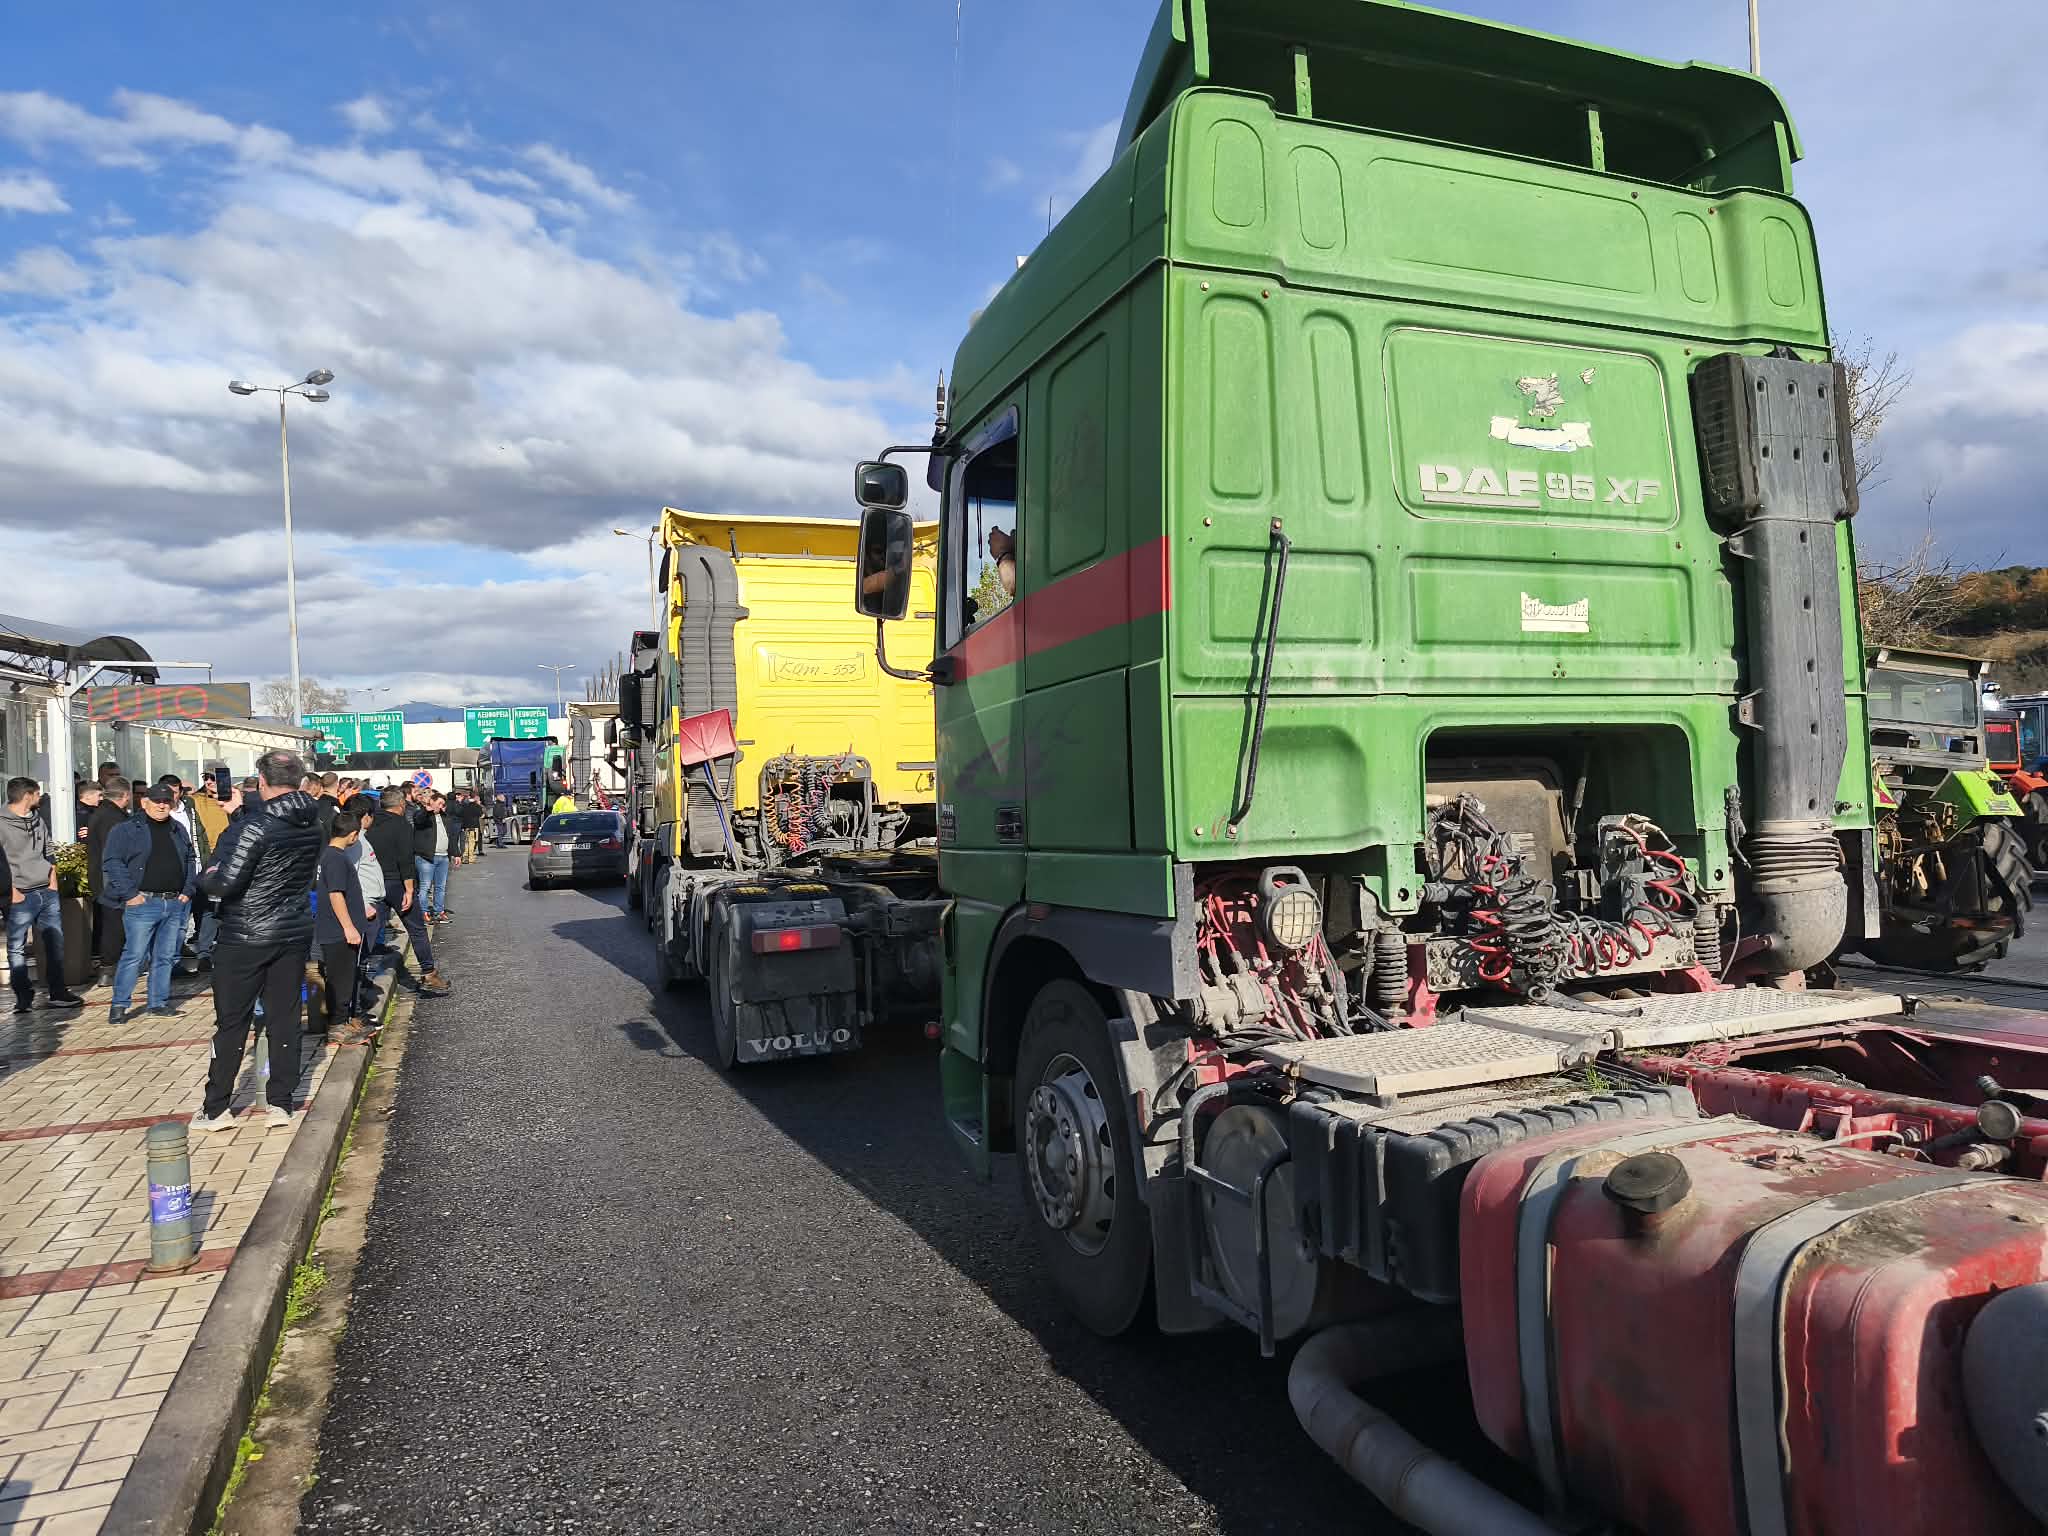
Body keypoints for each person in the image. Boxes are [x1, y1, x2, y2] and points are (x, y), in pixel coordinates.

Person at [193, 751, 324, 1133]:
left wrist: (212, 864)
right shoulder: (312, 823)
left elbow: (222, 882)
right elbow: (273, 834)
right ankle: (281, 1103)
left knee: (233, 1022)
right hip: (292, 930)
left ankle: (216, 1107)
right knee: (284, 1019)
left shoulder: (251, 828)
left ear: (262, 781)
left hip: (245, 934)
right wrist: (241, 812)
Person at [100, 785, 198, 1024]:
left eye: (166, 800)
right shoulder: (125, 829)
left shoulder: (178, 829)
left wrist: (187, 890)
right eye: (157, 801)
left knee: (165, 956)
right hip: (142, 902)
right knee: (134, 955)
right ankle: (119, 1005)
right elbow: (112, 862)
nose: (162, 805)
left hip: (174, 902)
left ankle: (158, 1003)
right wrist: (131, 894)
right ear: (145, 803)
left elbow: (190, 858)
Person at [2, 778, 84, 1014]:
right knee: (16, 947)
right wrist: (11, 891)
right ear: (28, 795)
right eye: (38, 794)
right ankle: (23, 996)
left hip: (46, 891)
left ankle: (58, 992)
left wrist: (53, 881)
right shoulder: (2, 823)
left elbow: (48, 850)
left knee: (55, 943)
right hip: (19, 894)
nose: (41, 797)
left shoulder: (38, 818)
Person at [367, 788, 449, 996]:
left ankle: (361, 973)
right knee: (416, 928)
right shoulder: (401, 825)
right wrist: (410, 890)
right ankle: (429, 972)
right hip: (396, 883)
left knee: (372, 929)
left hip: (372, 883)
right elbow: (405, 860)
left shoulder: (370, 822)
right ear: (401, 805)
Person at [315, 808, 373, 1041]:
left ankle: (345, 1020)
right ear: (353, 835)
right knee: (341, 979)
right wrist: (349, 927)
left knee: (343, 977)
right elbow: (336, 895)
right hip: (338, 932)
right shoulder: (336, 858)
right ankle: (338, 1025)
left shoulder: (329, 856)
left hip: (336, 929)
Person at [88, 779, 135, 970]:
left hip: (106, 878)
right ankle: (111, 966)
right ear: (126, 795)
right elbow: (114, 852)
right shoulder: (112, 817)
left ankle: (112, 964)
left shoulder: (104, 813)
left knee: (113, 923)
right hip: (111, 880)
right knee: (115, 924)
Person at [409, 791, 457, 923]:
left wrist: (456, 853)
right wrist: (427, 810)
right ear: (432, 802)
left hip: (443, 857)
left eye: (443, 803)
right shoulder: (423, 815)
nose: (441, 806)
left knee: (441, 886)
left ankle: (439, 911)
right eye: (439, 803)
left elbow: (451, 837)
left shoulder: (445, 817)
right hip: (427, 857)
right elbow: (418, 820)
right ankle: (423, 912)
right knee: (425, 886)